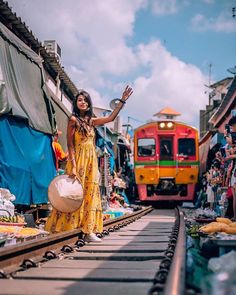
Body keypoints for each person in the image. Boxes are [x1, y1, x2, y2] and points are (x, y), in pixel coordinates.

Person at [45, 85, 133, 242]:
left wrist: (122, 101)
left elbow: (110, 118)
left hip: (91, 161)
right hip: (77, 160)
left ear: (89, 103)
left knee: (90, 194)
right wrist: (72, 165)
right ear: (76, 103)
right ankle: (67, 228)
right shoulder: (73, 120)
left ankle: (88, 230)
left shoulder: (91, 122)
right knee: (73, 194)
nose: (83, 102)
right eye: (80, 100)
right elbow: (70, 144)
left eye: (85, 100)